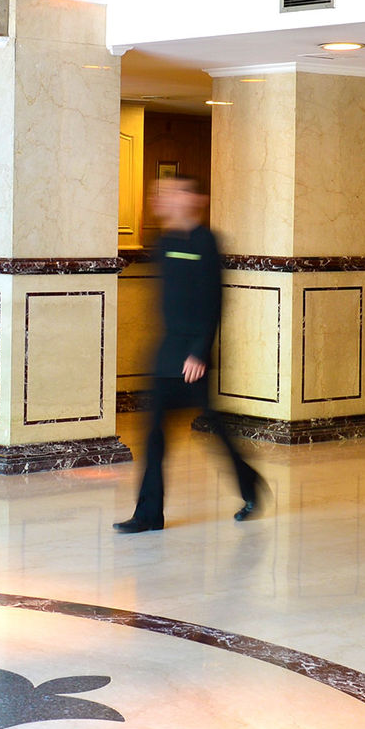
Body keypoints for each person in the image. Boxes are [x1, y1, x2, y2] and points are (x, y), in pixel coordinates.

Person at [114, 175, 263, 533]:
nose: (161, 198)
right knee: (154, 436)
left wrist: (200, 351)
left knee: (217, 430)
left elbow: (213, 300)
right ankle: (149, 515)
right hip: (167, 353)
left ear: (194, 200)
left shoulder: (205, 242)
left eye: (171, 192)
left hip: (194, 357)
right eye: (160, 193)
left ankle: (250, 484)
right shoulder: (164, 243)